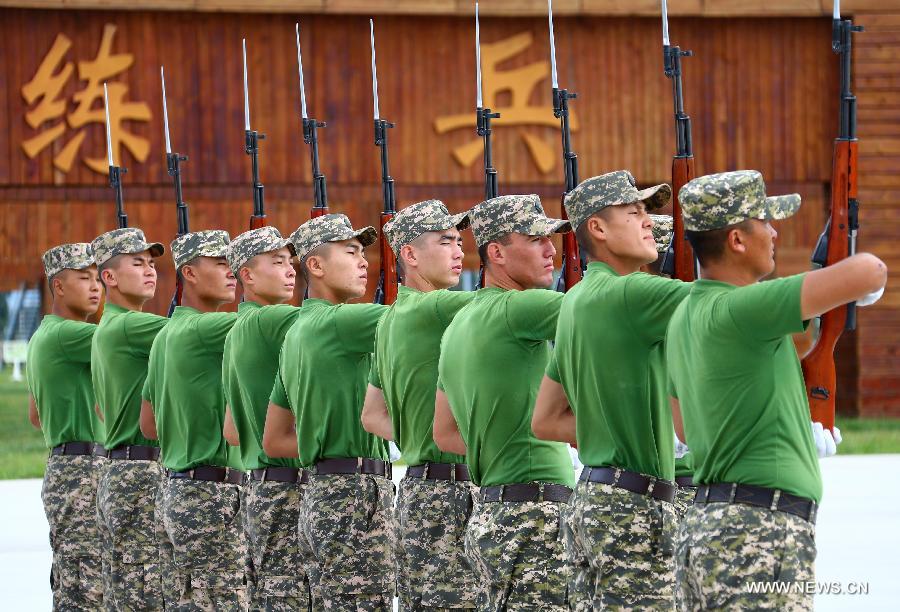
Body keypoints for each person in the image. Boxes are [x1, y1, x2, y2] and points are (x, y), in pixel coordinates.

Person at [667, 170, 887, 610]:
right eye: (764, 221)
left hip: (708, 526)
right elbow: (870, 270)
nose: (775, 231)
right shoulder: (745, 306)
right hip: (758, 526)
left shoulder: (682, 316)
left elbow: (687, 430)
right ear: (736, 240)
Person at [531, 170, 687, 610]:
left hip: (595, 496)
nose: (649, 222)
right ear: (597, 228)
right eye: (635, 212)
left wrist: (613, 431)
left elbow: (545, 419)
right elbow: (729, 308)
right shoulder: (632, 293)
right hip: (634, 506)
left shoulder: (577, 301)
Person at [434, 194, 574, 610]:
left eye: (550, 239)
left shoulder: (459, 323)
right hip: (535, 511)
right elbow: (603, 315)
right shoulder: (521, 306)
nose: (551, 250)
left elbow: (444, 433)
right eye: (535, 240)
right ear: (496, 252)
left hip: (494, 510)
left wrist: (504, 445)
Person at [263, 214, 393, 610]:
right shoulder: (339, 321)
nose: (364, 262)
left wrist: (323, 441)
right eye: (351, 252)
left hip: (323, 489)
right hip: (352, 495)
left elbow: (274, 438)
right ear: (315, 266)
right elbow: (416, 320)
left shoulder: (298, 332)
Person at [360, 200, 478, 610]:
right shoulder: (435, 306)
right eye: (445, 242)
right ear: (410, 254)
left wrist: (420, 436)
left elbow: (372, 415)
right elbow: (501, 306)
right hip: (449, 490)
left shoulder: (391, 318)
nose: (459, 252)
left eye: (460, 242)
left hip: (420, 487)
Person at [142, 230, 247, 609]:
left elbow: (149, 425)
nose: (234, 272)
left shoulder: (165, 334)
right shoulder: (208, 328)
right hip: (211, 493)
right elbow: (267, 324)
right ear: (189, 272)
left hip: (179, 488)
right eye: (222, 264)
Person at [221, 226, 311, 609]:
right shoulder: (271, 320)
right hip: (288, 487)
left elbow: (232, 430)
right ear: (247, 275)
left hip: (263, 485)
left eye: (291, 262)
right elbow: (323, 323)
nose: (291, 270)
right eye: (277, 262)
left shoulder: (237, 328)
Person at [89, 227, 167, 610]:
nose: (150, 270)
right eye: (137, 263)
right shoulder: (128, 326)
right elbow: (186, 334)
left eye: (152, 263)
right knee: (145, 593)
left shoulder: (109, 327)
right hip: (139, 473)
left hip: (124, 469)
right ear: (109, 277)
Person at [26, 242, 104, 610]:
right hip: (83, 469)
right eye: (84, 277)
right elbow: (121, 341)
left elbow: (35, 414)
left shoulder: (45, 334)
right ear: (58, 286)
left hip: (68, 465)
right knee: (87, 586)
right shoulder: (68, 334)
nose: (96, 286)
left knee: (80, 580)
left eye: (98, 278)